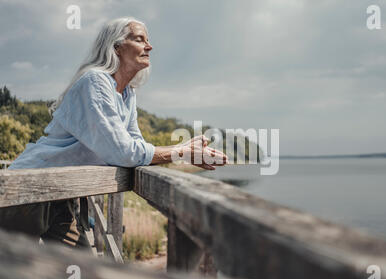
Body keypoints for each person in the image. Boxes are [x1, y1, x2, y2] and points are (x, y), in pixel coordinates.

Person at [0, 17, 227, 249]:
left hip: (62, 192)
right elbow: (123, 152)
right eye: (140, 40)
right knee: (10, 266)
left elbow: (133, 142)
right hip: (29, 188)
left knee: (79, 272)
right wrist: (181, 152)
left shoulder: (128, 94)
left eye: (148, 41)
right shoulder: (95, 82)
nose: (149, 46)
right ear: (116, 47)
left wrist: (181, 152)